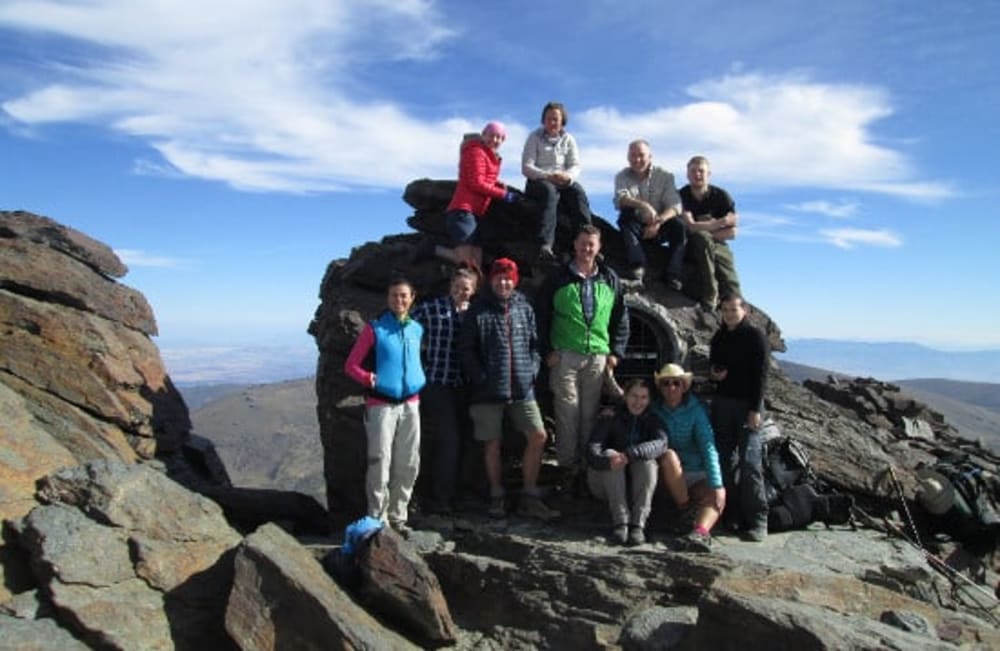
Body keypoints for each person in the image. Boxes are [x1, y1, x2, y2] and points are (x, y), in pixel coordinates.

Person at [460, 258, 560, 520]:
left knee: (538, 436)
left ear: (515, 281)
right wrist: (480, 376)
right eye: (499, 278)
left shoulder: (524, 307)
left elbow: (535, 345)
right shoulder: (478, 310)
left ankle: (529, 495)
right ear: (491, 280)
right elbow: (466, 349)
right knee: (492, 443)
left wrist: (532, 370)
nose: (504, 282)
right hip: (487, 390)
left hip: (522, 387)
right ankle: (497, 496)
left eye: (508, 278)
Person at [537, 225, 629, 491]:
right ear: (574, 245)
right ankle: (567, 469)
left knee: (589, 414)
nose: (587, 249)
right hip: (565, 354)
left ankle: (588, 470)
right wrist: (547, 351)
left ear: (599, 248)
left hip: (597, 355)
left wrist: (616, 352)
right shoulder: (559, 277)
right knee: (567, 412)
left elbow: (621, 318)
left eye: (592, 244)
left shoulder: (609, 278)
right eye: (582, 244)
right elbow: (541, 315)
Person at [344, 275, 426, 533]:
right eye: (394, 295)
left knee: (409, 461)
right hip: (381, 405)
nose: (399, 300)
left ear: (412, 298)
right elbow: (351, 365)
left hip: (411, 404)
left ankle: (398, 516)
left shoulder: (417, 329)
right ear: (387, 298)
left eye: (404, 295)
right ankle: (378, 519)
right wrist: (368, 378)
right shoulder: (375, 329)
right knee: (380, 460)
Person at [409, 265, 479, 513]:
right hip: (437, 383)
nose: (461, 292)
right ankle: (442, 498)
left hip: (463, 386)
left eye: (466, 288)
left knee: (467, 440)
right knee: (450, 439)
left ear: (473, 291)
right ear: (451, 287)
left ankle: (458, 493)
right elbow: (407, 325)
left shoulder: (474, 314)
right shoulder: (433, 309)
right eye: (458, 287)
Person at [709, 293, 770, 540]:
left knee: (750, 462)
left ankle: (758, 520)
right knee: (725, 461)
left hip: (748, 406)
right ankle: (731, 516)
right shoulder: (720, 336)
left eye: (734, 309)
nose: (729, 314)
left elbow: (762, 375)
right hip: (723, 403)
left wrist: (755, 409)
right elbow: (714, 363)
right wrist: (715, 372)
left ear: (744, 310)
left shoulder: (755, 336)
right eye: (725, 310)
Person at [651, 363, 726, 553]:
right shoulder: (653, 410)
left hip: (695, 471)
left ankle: (700, 532)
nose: (671, 388)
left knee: (714, 496)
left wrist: (718, 485)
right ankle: (686, 511)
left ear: (684, 386)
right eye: (666, 383)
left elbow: (708, 446)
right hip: (668, 474)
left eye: (676, 383)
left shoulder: (696, 411)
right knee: (668, 455)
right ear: (660, 387)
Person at [587, 379, 668, 546]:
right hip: (605, 483)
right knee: (611, 454)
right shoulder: (610, 416)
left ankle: (638, 525)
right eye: (634, 396)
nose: (638, 402)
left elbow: (662, 443)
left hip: (635, 486)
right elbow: (592, 450)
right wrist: (609, 461)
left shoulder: (654, 420)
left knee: (648, 462)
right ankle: (621, 523)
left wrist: (631, 454)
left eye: (643, 397)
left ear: (649, 399)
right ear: (625, 396)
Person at [437, 121, 518, 270]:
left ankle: (475, 292)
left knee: (476, 265)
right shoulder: (475, 151)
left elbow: (482, 176)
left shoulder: (490, 155)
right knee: (466, 263)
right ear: (483, 135)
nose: (495, 140)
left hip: (477, 213)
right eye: (492, 135)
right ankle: (432, 249)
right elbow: (476, 183)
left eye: (499, 137)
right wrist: (504, 195)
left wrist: (496, 183)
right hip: (463, 210)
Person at [521, 101, 592, 260]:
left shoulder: (568, 139)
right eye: (548, 119)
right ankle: (545, 244)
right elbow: (527, 167)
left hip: (562, 180)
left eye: (555, 119)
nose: (552, 122)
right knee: (549, 193)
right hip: (539, 180)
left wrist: (568, 177)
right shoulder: (534, 137)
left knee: (578, 193)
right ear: (543, 120)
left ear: (562, 121)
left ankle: (585, 242)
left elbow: (575, 165)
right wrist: (547, 176)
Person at [614, 140, 684, 286]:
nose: (637, 159)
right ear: (628, 157)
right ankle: (638, 266)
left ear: (650, 156)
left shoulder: (665, 176)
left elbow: (675, 206)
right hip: (637, 228)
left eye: (641, 155)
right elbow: (621, 199)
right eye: (633, 155)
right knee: (625, 216)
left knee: (679, 226)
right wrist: (643, 205)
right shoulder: (622, 176)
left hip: (661, 226)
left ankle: (673, 274)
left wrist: (658, 222)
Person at [678, 155, 741, 310]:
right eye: (693, 171)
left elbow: (732, 232)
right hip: (690, 245)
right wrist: (719, 223)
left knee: (729, 276)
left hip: (717, 244)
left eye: (701, 171)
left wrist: (705, 229)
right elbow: (690, 227)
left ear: (709, 174)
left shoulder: (721, 196)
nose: (697, 174)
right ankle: (710, 293)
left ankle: (737, 311)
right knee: (700, 238)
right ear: (687, 175)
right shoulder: (680, 196)